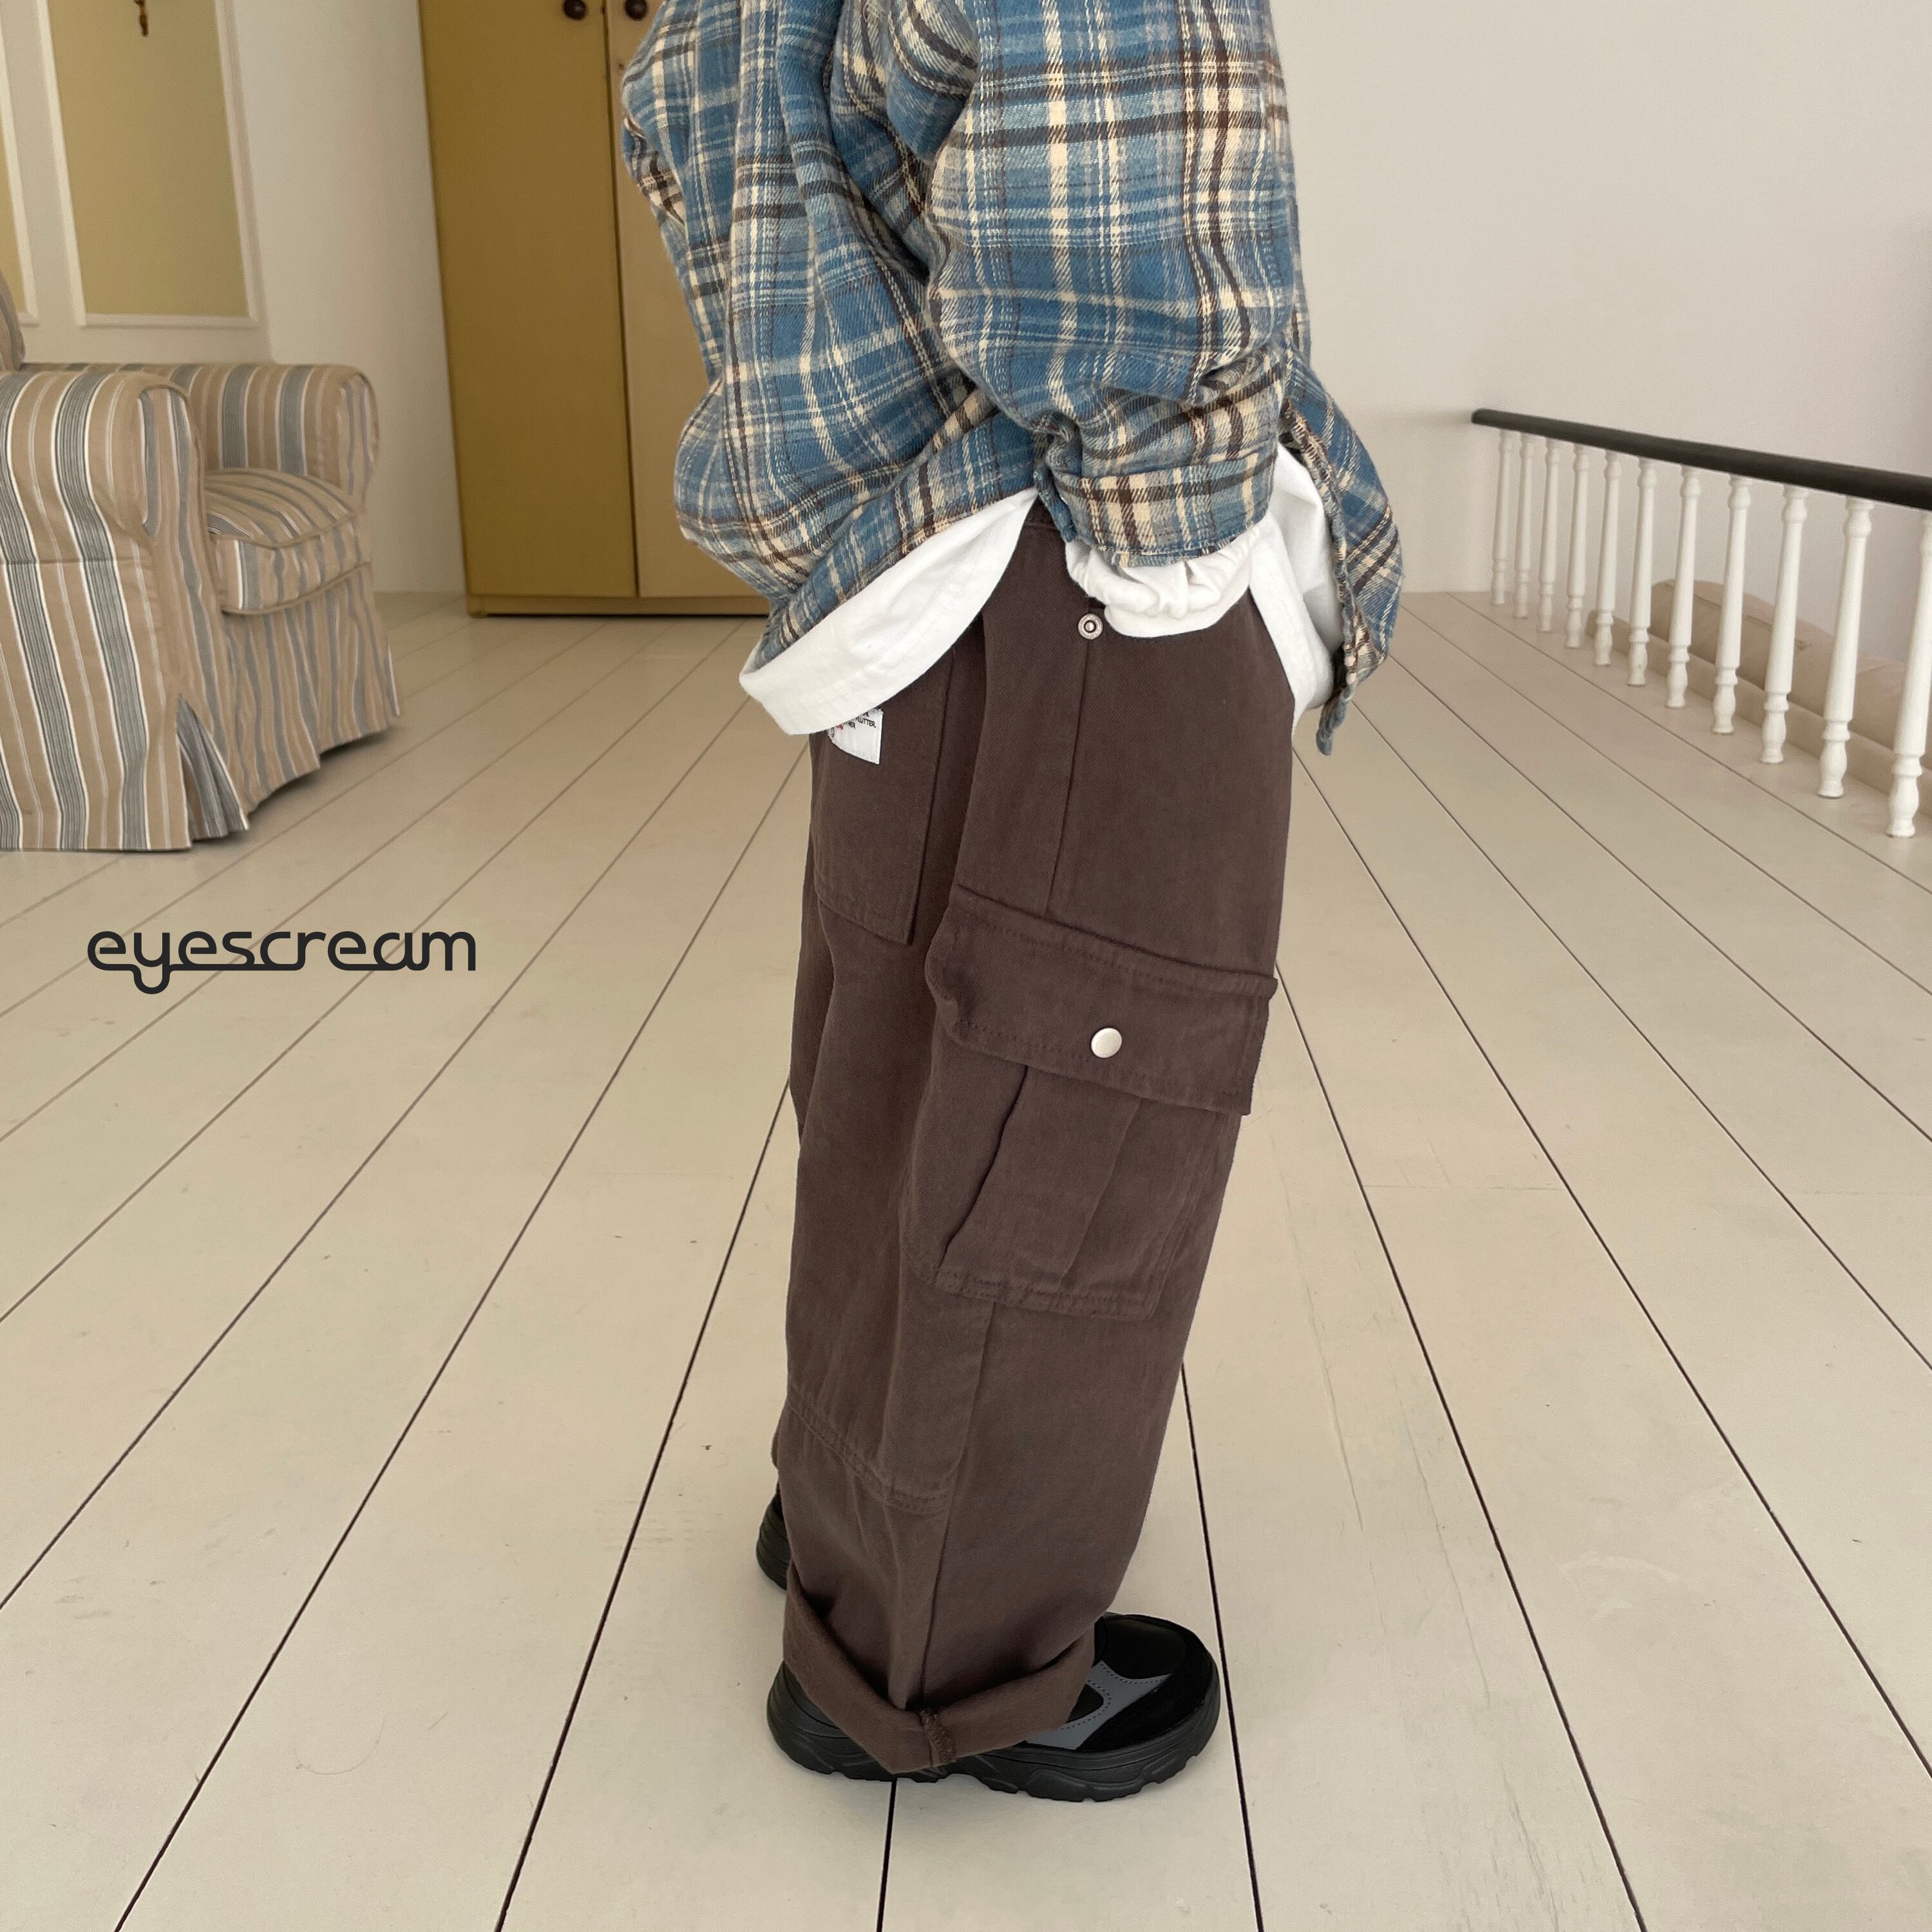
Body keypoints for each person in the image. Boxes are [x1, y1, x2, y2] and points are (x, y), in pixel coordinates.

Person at [621, 0, 1401, 1801]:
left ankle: (860, 1533)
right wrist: (1178, 556)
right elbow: (1111, 147)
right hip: (1078, 568)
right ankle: (937, 1662)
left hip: (902, 568)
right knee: (1073, 1143)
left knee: (900, 1094)